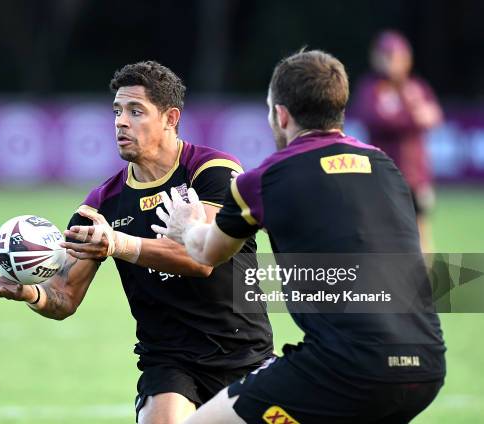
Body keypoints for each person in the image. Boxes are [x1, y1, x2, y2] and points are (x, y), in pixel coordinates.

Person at [0, 60, 273, 424]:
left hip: (246, 354)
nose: (121, 122)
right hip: (170, 361)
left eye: (135, 111)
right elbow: (64, 296)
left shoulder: (211, 170)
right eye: (117, 111)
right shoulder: (102, 204)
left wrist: (118, 243)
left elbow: (201, 258)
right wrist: (31, 293)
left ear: (170, 117)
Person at [153, 50, 446, 423]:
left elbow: (207, 253)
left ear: (281, 114)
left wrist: (186, 226)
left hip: (344, 368)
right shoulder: (386, 168)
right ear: (338, 108)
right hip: (425, 366)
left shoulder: (265, 180)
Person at [353, 30, 443, 252]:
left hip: (415, 174)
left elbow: (434, 115)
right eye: (389, 56)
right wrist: (412, 117)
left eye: (399, 56)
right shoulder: (371, 88)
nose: (394, 63)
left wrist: (406, 117)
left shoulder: (416, 86)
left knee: (420, 230)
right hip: (383, 175)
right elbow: (375, 119)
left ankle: (424, 282)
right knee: (382, 231)